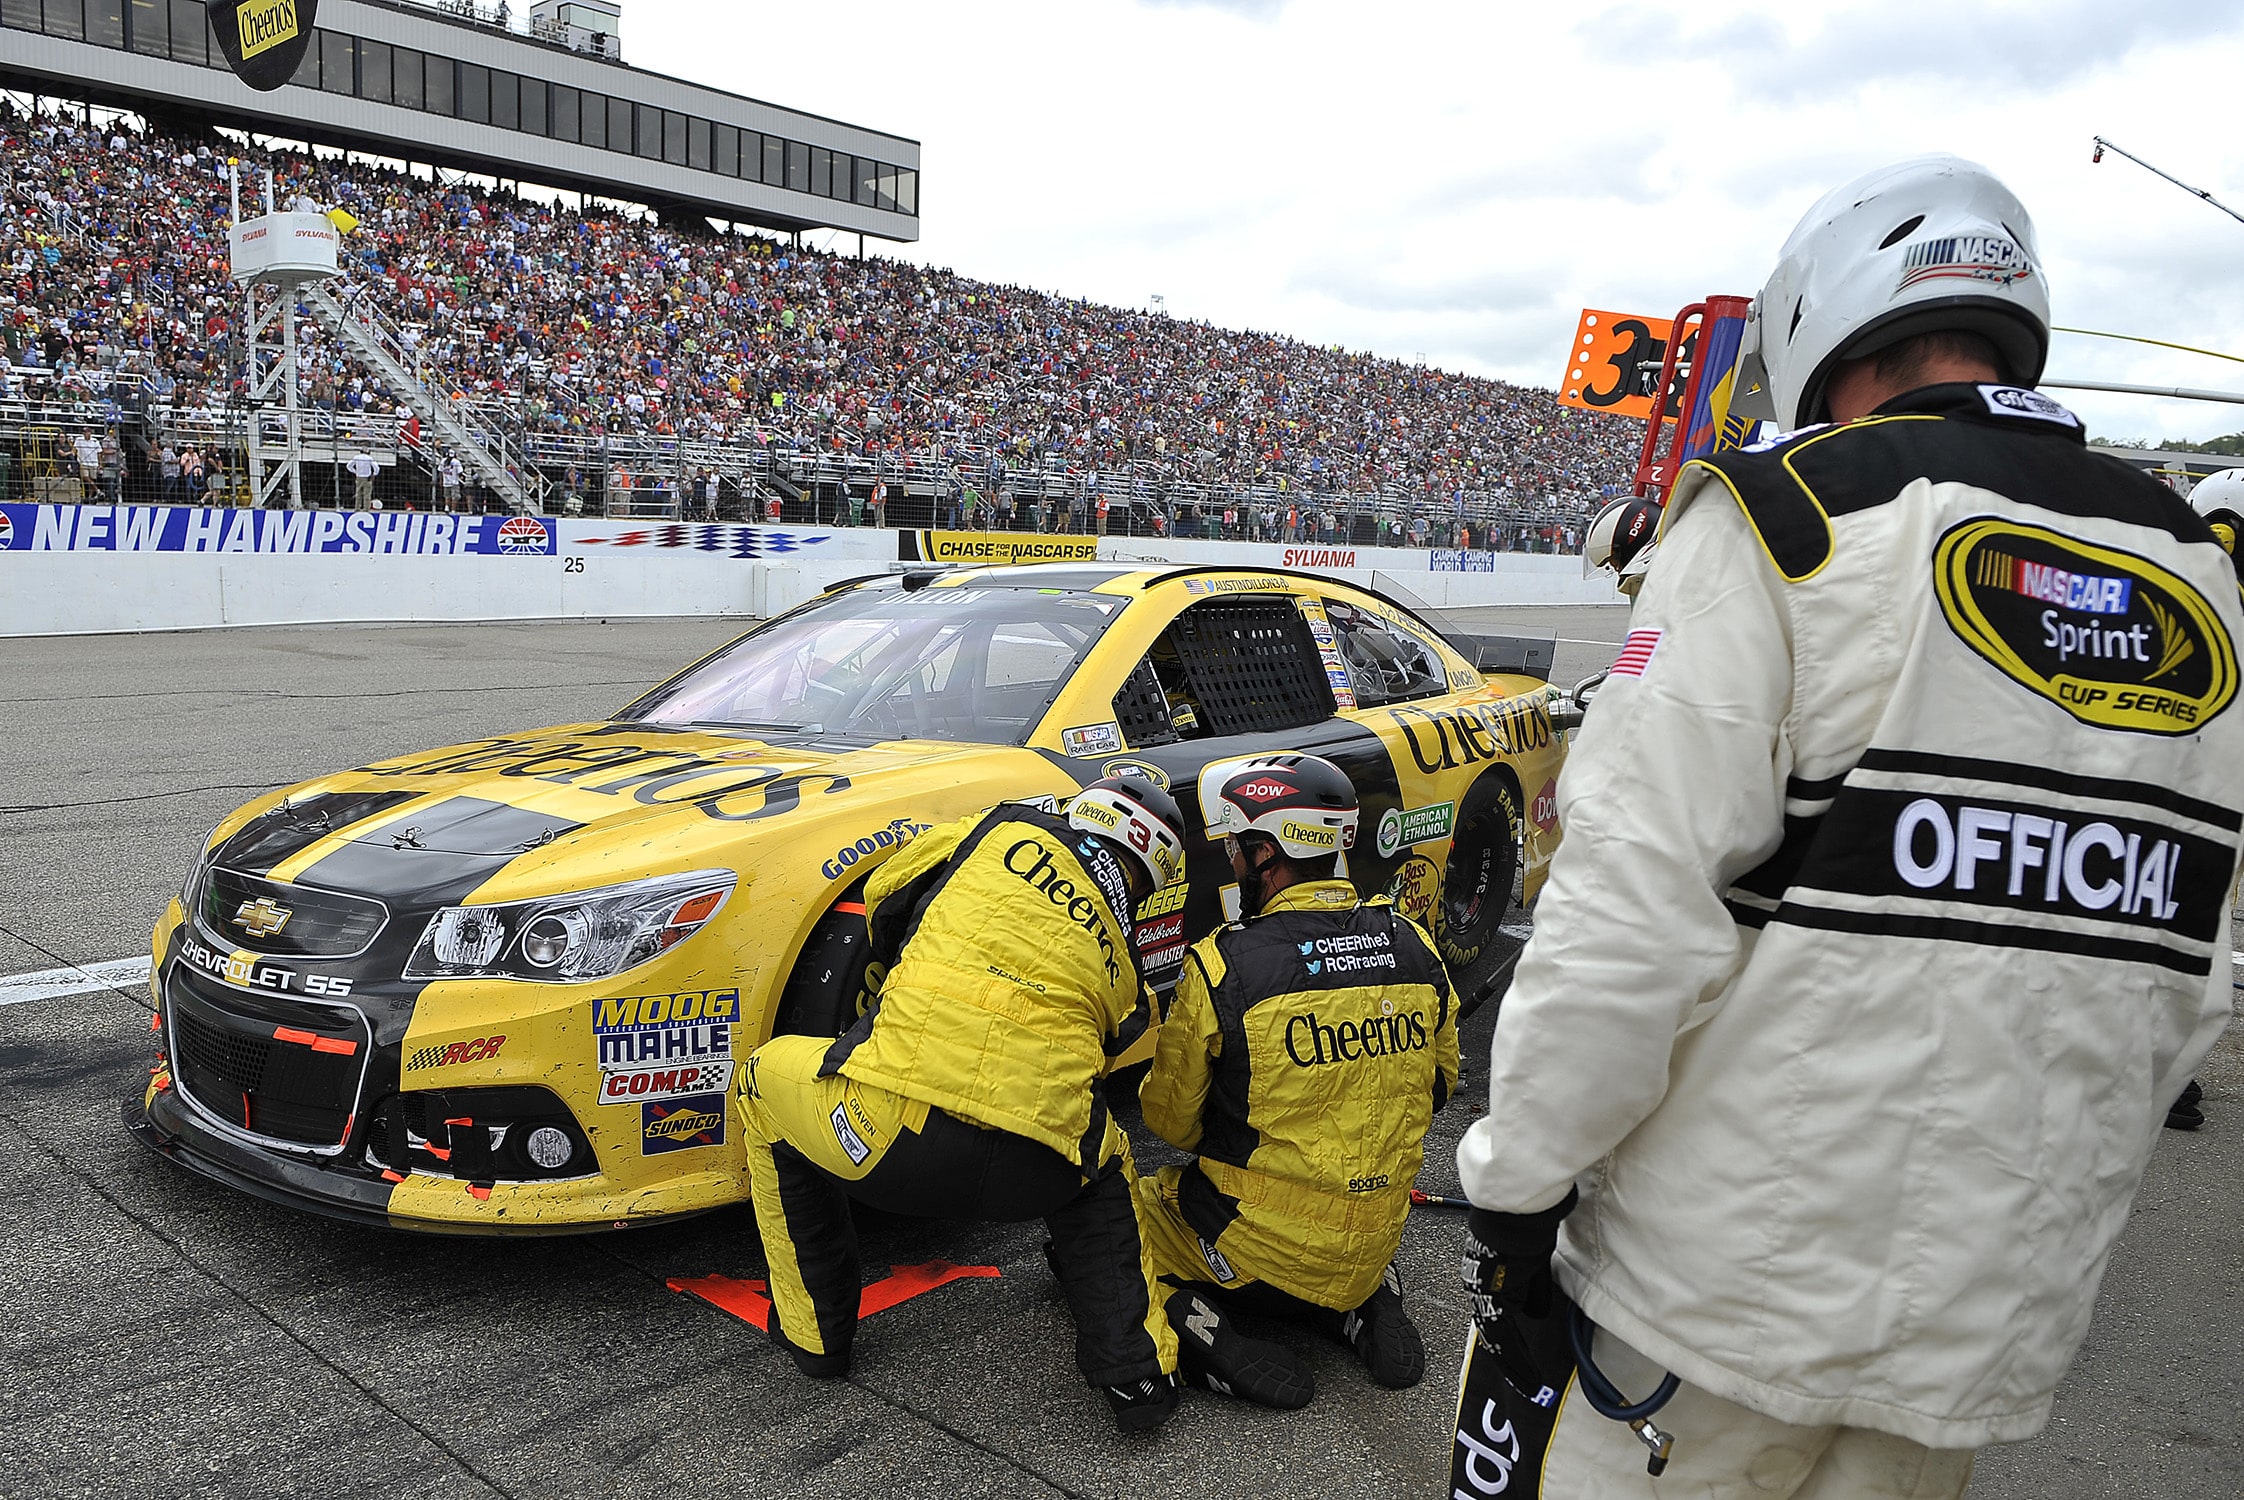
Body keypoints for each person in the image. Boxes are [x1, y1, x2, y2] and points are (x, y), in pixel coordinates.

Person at [1451, 155, 2244, 1497]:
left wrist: (1516, 1190)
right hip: (1988, 1326)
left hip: (1707, 1305)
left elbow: (1625, 923)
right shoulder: (2202, 573)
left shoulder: (1788, 520)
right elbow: (2186, 981)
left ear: (1820, 325)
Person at [738, 776, 1192, 1434]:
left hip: (890, 1137)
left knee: (759, 1079)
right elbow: (1111, 1041)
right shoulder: (1125, 959)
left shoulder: (1003, 828)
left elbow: (885, 893)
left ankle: (816, 1337)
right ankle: (1136, 1375)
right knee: (1108, 1159)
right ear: (1145, 877)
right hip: (1033, 1177)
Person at [1136, 755, 1458, 1410]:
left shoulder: (1223, 964)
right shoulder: (1415, 945)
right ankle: (1358, 1303)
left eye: (1236, 846)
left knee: (1107, 1223)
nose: (1231, 860)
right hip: (1374, 1238)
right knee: (1331, 1254)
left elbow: (1169, 1122)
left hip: (1254, 1243)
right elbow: (1441, 1083)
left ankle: (1209, 1338)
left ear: (1265, 853)